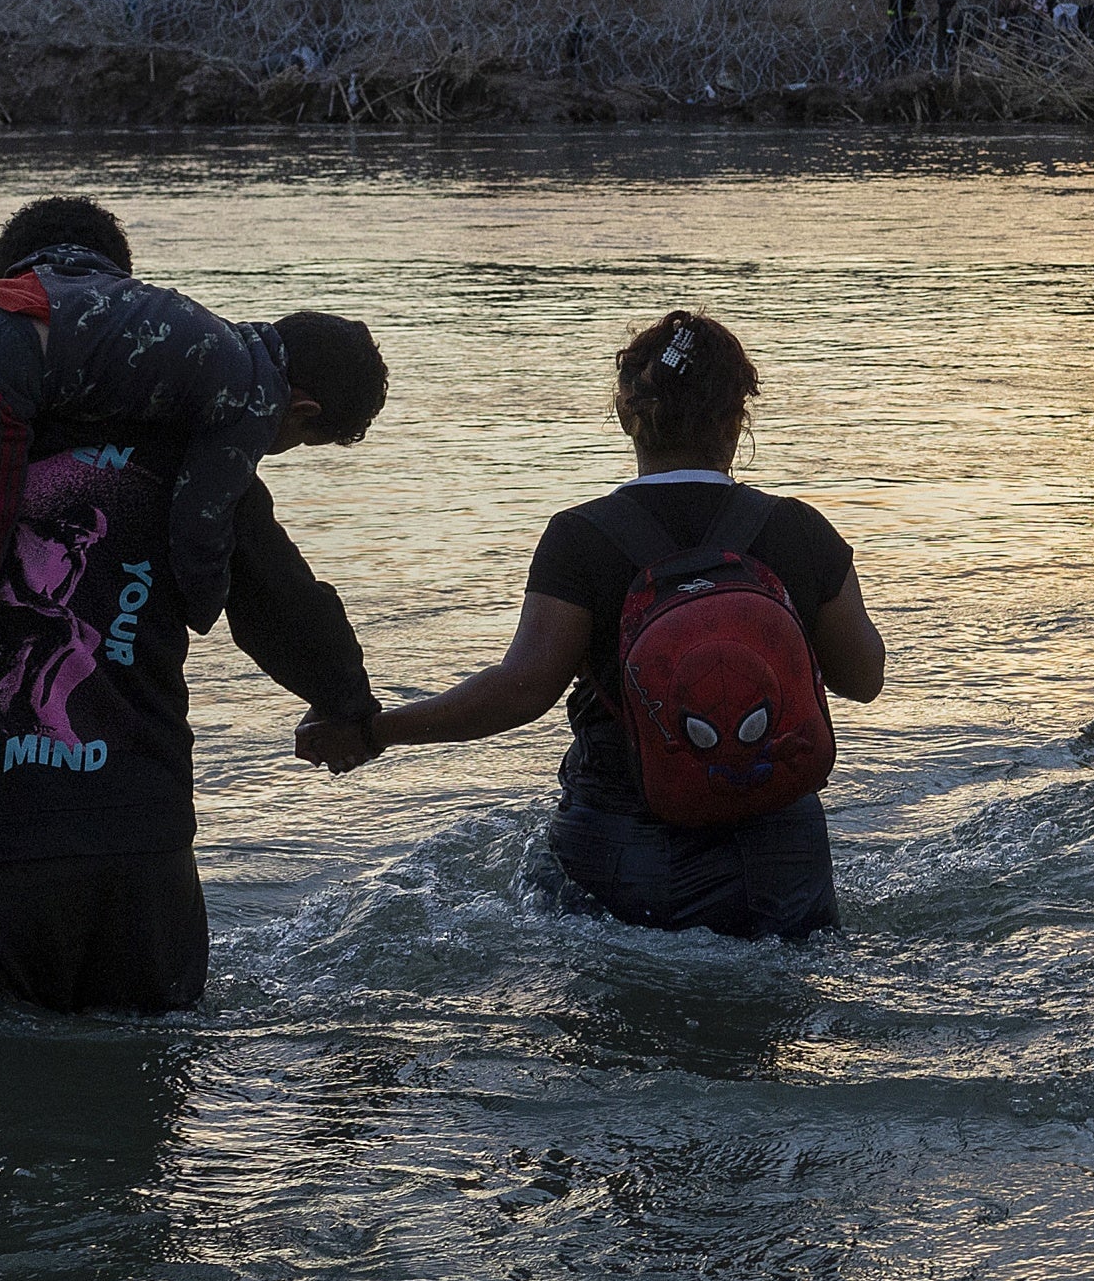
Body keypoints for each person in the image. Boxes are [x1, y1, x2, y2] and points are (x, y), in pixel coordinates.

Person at [0, 197, 388, 1013]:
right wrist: (347, 704)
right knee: (148, 1111)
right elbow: (282, 601)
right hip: (136, 837)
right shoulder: (190, 440)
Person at [314, 312, 882, 939]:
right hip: (780, 851)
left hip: (623, 844)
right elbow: (863, 677)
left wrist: (376, 731)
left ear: (628, 415)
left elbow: (521, 690)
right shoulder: (798, 530)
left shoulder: (581, 537)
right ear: (735, 419)